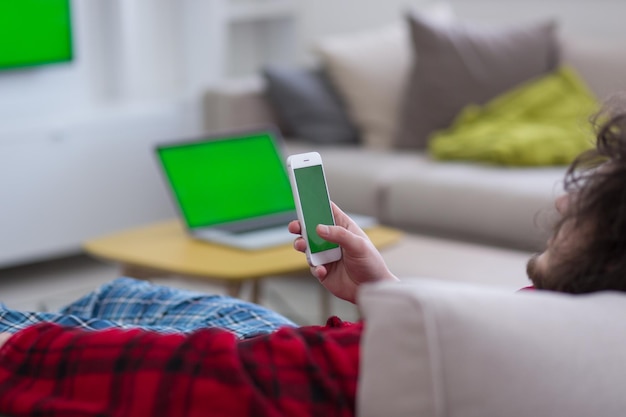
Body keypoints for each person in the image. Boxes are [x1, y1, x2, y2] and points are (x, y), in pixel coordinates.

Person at [0, 102, 624, 416]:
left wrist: (17, 351)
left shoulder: (508, 350)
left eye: (592, 193)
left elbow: (213, 380)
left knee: (88, 317)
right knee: (130, 300)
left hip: (305, 375)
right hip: (350, 358)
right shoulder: (589, 323)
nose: (565, 204)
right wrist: (391, 297)